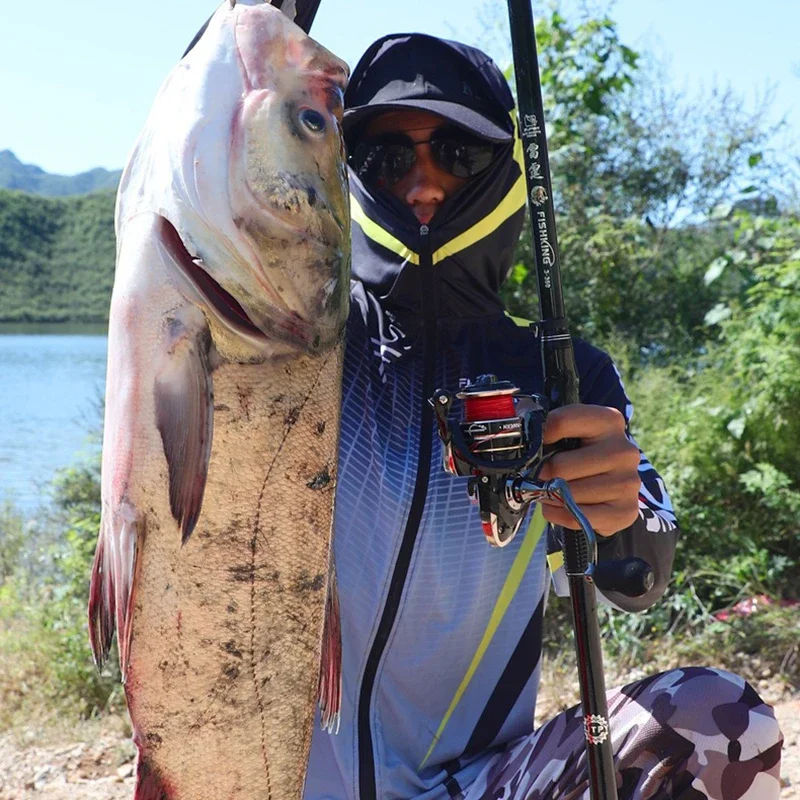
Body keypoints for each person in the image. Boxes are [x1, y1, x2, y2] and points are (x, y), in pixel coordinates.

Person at [304, 33, 783, 800]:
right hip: (267, 774)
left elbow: (640, 579)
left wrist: (618, 514)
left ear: (501, 172)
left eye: (456, 152)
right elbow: (201, 175)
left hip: (479, 787)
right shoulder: (295, 347)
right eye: (387, 158)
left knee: (722, 723)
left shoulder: (565, 374)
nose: (423, 185)